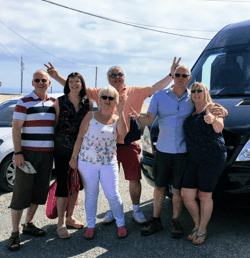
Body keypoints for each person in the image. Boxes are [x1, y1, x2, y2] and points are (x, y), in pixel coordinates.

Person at [45, 58, 180, 225]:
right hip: (107, 146)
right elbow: (77, 87)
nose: (117, 77)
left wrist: (171, 75)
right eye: (113, 75)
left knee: (134, 179)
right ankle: (112, 210)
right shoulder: (102, 92)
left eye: (120, 74)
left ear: (124, 77)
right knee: (110, 183)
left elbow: (155, 88)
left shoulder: (135, 91)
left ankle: (136, 210)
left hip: (129, 143)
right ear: (108, 78)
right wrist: (57, 77)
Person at [134, 66, 227, 239]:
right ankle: (156, 220)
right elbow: (149, 119)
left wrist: (218, 115)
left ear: (189, 77)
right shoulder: (162, 96)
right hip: (163, 149)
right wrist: (139, 119)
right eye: (178, 75)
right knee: (160, 187)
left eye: (185, 75)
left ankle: (177, 221)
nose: (181, 78)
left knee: (179, 190)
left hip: (185, 153)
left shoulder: (196, 102)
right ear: (173, 76)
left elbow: (217, 117)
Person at [69, 86, 128, 240]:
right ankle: (91, 226)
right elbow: (80, 137)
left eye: (111, 98)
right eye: (104, 97)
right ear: (99, 99)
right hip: (87, 162)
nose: (107, 100)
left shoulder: (116, 119)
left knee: (113, 194)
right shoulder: (90, 116)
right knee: (91, 194)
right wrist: (74, 158)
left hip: (109, 162)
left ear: (115, 101)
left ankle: (120, 223)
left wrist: (121, 112)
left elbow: (122, 132)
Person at [8, 70, 56, 251]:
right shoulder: (24, 102)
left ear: (49, 83)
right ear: (32, 83)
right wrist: (18, 153)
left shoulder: (53, 103)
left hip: (46, 155)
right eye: (37, 80)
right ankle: (14, 234)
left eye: (44, 80)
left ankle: (28, 224)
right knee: (20, 193)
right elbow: (16, 129)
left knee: (39, 192)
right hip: (27, 155)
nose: (41, 83)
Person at [181, 82, 226, 245]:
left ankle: (202, 229)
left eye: (199, 90)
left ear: (205, 92)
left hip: (212, 156)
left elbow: (219, 127)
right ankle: (197, 224)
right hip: (194, 158)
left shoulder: (212, 107)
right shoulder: (191, 112)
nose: (196, 93)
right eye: (193, 91)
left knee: (204, 195)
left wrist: (213, 119)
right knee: (186, 195)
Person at [53, 72, 93, 239]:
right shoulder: (59, 101)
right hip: (62, 149)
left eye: (78, 81)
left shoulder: (88, 103)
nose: (74, 84)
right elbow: (55, 124)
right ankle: (60, 221)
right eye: (71, 81)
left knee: (76, 185)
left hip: (82, 150)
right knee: (63, 185)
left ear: (82, 84)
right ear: (67, 83)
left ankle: (70, 217)